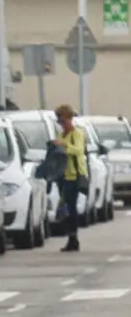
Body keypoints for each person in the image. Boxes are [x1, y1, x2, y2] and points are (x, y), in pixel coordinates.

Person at [53, 103, 88, 252]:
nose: (61, 124)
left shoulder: (77, 133)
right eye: (59, 121)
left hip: (74, 176)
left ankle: (73, 238)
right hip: (62, 175)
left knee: (71, 207)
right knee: (64, 207)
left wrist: (64, 145)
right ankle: (70, 236)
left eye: (63, 121)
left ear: (69, 118)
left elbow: (78, 151)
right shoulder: (61, 134)